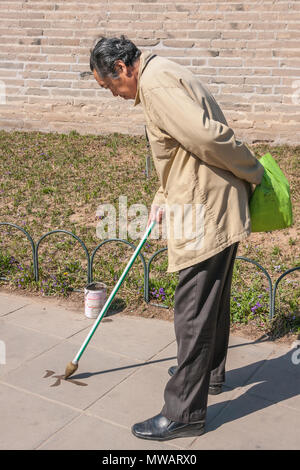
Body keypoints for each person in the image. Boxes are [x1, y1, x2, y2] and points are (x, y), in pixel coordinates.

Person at [89, 35, 264, 441]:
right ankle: (212, 373)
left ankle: (184, 411)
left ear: (121, 68)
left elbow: (205, 138)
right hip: (207, 199)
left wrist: (253, 170)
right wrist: (162, 195)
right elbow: (180, 150)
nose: (113, 94)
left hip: (206, 207)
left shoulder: (156, 84)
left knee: (192, 309)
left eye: (108, 85)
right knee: (212, 299)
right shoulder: (159, 74)